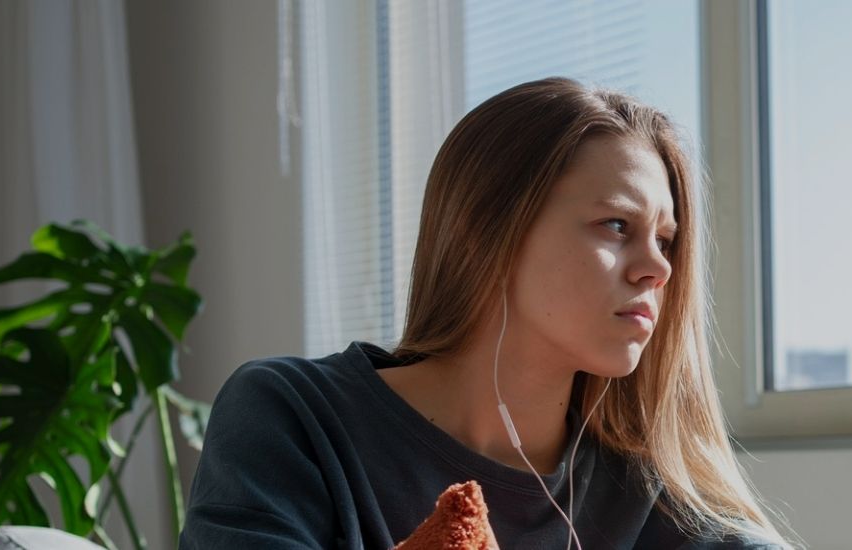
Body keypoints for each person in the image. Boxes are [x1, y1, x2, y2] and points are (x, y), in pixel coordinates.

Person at [179, 77, 797, 549]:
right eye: (616, 225)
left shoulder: (645, 492)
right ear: (488, 229)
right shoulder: (291, 417)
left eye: (665, 241)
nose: (658, 269)